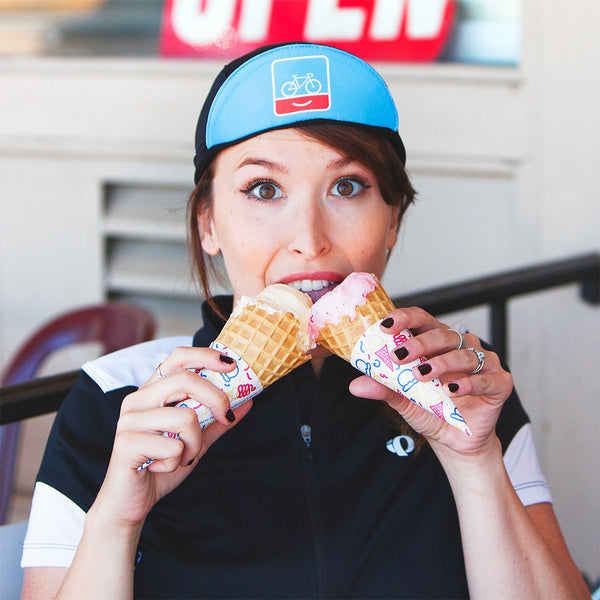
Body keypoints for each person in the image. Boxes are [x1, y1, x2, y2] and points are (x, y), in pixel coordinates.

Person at [20, 43, 588, 599]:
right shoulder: (116, 401)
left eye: (348, 186)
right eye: (264, 189)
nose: (310, 243)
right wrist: (117, 520)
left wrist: (474, 461)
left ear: (393, 220)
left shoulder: (459, 381)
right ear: (208, 224)